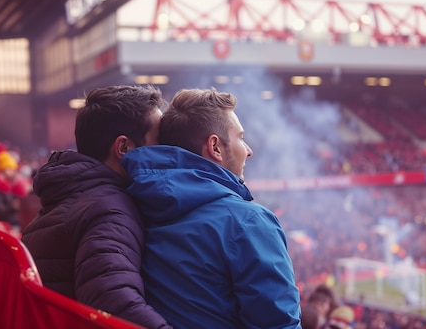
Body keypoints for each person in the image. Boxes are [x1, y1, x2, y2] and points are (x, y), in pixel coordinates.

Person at [121, 88, 302, 329]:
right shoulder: (248, 222)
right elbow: (279, 325)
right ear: (215, 147)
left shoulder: (135, 205)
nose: (248, 150)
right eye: (240, 137)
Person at [21, 85, 171, 329]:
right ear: (124, 148)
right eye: (160, 144)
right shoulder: (110, 211)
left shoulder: (73, 194)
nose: (169, 154)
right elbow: (112, 300)